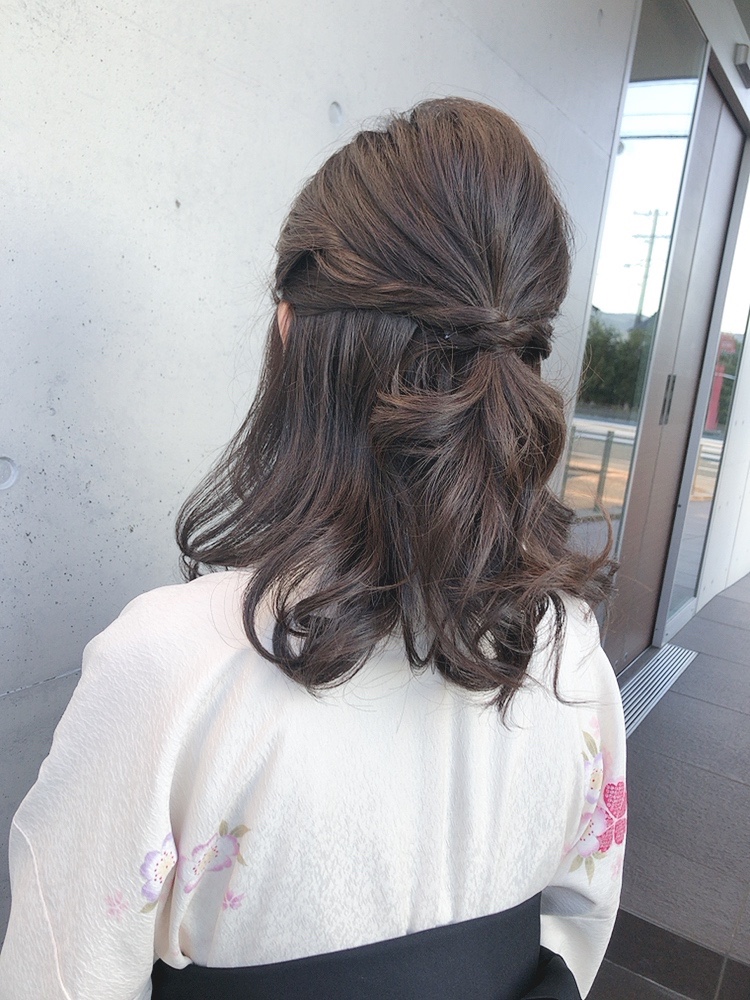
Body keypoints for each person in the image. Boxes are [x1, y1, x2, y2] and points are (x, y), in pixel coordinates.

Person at [0, 97, 625, 999]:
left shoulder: (172, 669)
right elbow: (577, 928)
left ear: (290, 333)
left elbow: (59, 977)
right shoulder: (566, 649)